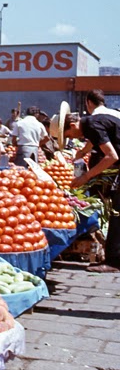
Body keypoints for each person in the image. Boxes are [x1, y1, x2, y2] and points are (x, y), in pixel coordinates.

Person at [62, 112, 120, 273]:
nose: (72, 139)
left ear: (73, 126)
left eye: (69, 135)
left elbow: (111, 156)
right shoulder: (92, 123)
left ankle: (114, 262)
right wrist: (82, 152)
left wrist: (86, 176)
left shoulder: (92, 125)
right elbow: (96, 140)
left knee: (117, 214)